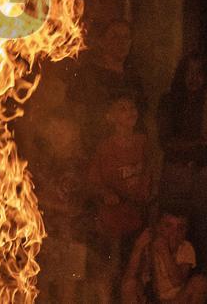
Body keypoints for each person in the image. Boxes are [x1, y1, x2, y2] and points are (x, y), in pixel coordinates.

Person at [87, 94, 153, 304]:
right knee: (113, 268)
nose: (130, 112)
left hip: (137, 216)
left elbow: (150, 173)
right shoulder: (105, 148)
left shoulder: (143, 142)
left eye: (132, 107)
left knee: (136, 270)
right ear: (111, 117)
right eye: (122, 108)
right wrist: (106, 194)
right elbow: (94, 182)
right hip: (113, 221)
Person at [157, 52, 207, 256]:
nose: (194, 78)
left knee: (199, 230)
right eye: (189, 72)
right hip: (176, 172)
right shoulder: (169, 101)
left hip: (202, 173)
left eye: (199, 73)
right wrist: (195, 144)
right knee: (171, 229)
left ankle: (194, 282)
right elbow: (166, 142)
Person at [35, 115, 88, 303]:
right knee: (41, 289)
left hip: (71, 239)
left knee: (67, 293)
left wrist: (37, 200)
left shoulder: (78, 165)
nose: (56, 135)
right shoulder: (45, 163)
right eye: (54, 131)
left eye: (62, 131)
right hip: (46, 237)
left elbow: (74, 207)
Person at [76, 19, 146, 150]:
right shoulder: (89, 75)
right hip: (97, 150)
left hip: (127, 152)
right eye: (115, 36)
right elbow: (79, 115)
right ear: (102, 42)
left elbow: (141, 117)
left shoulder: (133, 77)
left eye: (126, 37)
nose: (122, 42)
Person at [121, 209, 207, 304]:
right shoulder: (149, 245)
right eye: (168, 226)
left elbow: (177, 281)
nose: (174, 233)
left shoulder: (186, 248)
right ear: (158, 228)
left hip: (176, 300)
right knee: (129, 284)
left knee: (200, 282)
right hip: (151, 299)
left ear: (186, 232)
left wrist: (165, 252)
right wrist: (138, 247)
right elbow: (131, 275)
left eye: (180, 228)